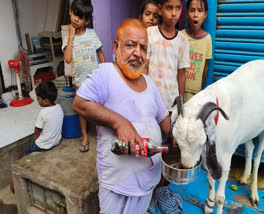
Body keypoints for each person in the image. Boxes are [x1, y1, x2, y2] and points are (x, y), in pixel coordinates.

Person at [73, 19, 171, 214]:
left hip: (147, 182)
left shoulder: (150, 84)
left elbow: (165, 122)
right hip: (118, 186)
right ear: (116, 47)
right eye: (131, 45)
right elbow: (80, 103)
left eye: (143, 48)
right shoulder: (106, 73)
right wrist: (119, 122)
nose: (137, 53)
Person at [63, 0, 106, 152]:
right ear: (70, 12)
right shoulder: (69, 37)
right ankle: (85, 136)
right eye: (75, 14)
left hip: (95, 79)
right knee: (81, 110)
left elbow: (100, 52)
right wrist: (70, 38)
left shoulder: (91, 34)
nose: (76, 19)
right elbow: (67, 58)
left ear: (86, 20)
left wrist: (105, 71)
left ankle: (101, 135)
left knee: (98, 107)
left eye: (80, 17)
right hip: (80, 81)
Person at [145, 0, 190, 110]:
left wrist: (180, 102)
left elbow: (181, 74)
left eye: (178, 8)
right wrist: (144, 95)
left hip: (172, 104)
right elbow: (144, 68)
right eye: (169, 8)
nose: (174, 13)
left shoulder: (183, 41)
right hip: (151, 100)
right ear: (160, 10)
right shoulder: (149, 33)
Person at [182, 0, 212, 102]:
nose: (195, 15)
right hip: (178, 91)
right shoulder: (181, 36)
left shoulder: (207, 39)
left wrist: (200, 90)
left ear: (205, 15)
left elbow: (205, 67)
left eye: (200, 11)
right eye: (192, 10)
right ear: (186, 14)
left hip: (195, 94)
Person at [25, 82, 63, 155]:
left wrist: (38, 140)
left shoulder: (43, 113)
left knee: (29, 150)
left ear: (46, 101)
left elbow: (37, 130)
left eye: (38, 99)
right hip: (56, 142)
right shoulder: (59, 108)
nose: (37, 100)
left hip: (42, 146)